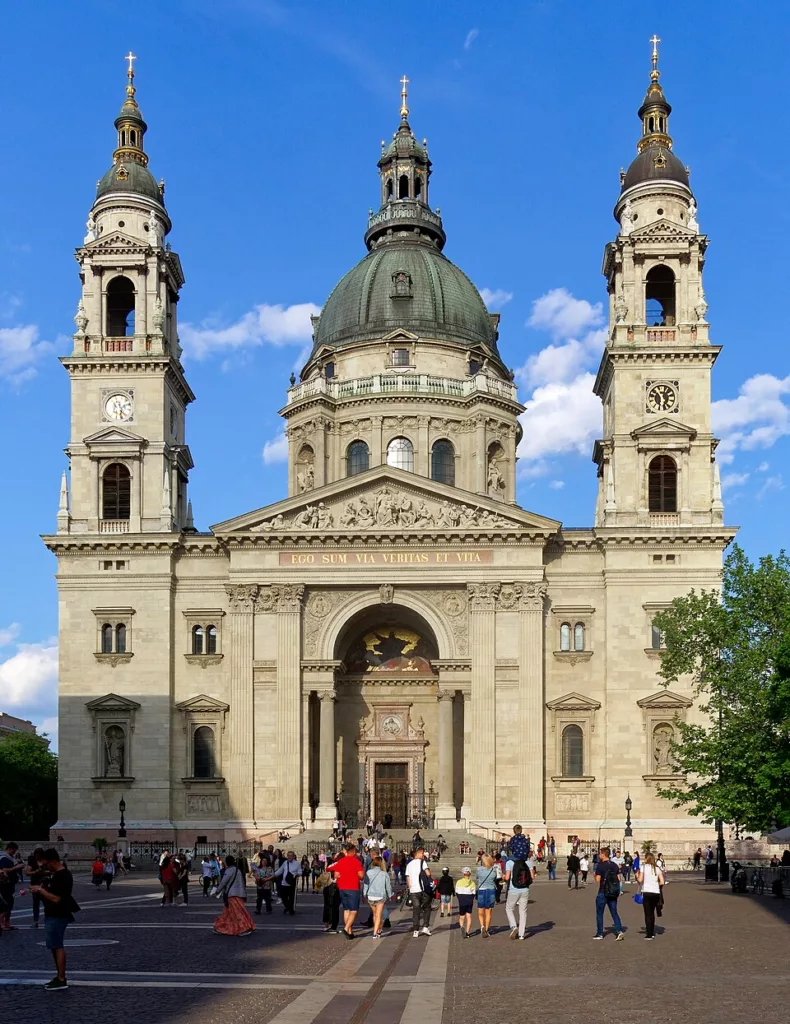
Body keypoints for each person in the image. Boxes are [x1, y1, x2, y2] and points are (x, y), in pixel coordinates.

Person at [29, 848, 79, 991]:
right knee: (54, 945)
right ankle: (59, 976)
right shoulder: (58, 874)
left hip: (58, 914)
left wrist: (41, 890)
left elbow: (57, 898)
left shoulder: (63, 875)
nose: (45, 867)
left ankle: (61, 978)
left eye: (46, 864)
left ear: (53, 861)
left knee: (57, 945)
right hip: (53, 913)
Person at [328, 844, 365, 940]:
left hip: (342, 888)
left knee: (346, 909)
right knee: (354, 910)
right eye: (355, 851)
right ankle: (346, 928)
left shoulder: (341, 861)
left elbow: (336, 875)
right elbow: (361, 875)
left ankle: (350, 932)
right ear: (352, 851)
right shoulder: (356, 861)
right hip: (353, 888)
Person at [213, 854, 254, 936]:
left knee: (236, 913)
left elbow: (223, 882)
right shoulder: (238, 870)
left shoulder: (229, 871)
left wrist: (217, 891)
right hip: (239, 894)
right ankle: (222, 928)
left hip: (232, 895)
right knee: (230, 914)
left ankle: (244, 928)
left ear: (227, 862)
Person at [593, 847, 625, 941]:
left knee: (599, 913)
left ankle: (600, 933)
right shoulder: (614, 865)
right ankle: (619, 931)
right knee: (614, 912)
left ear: (603, 854)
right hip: (613, 892)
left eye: (600, 854)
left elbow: (598, 880)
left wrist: (595, 875)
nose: (599, 855)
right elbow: (619, 879)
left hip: (603, 891)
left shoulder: (600, 866)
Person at [504, 848, 534, 940]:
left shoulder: (509, 862)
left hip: (513, 889)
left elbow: (507, 877)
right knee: (523, 911)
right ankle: (521, 934)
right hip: (525, 889)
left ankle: (514, 926)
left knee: (509, 908)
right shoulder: (528, 862)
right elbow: (532, 877)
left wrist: (503, 876)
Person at [406, 846, 433, 938]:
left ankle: (416, 930)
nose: (423, 855)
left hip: (413, 890)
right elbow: (428, 874)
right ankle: (425, 927)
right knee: (427, 907)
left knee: (416, 909)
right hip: (423, 889)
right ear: (418, 853)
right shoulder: (422, 862)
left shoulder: (409, 864)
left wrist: (410, 888)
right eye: (422, 853)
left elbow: (408, 878)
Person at [636, 852, 664, 940]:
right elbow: (662, 882)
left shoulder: (643, 867)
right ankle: (652, 932)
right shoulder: (657, 868)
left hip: (647, 891)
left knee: (648, 914)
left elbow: (640, 880)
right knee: (652, 913)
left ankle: (649, 934)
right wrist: (655, 884)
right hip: (656, 892)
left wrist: (637, 875)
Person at [364, 855, 393, 938]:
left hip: (371, 896)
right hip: (380, 896)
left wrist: (364, 894)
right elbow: (388, 886)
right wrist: (390, 895)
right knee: (379, 915)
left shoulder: (368, 872)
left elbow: (366, 885)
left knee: (375, 914)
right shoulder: (384, 874)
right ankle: (375, 932)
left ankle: (378, 930)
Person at [0, 842, 23, 930]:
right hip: (4, 885)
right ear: (9, 849)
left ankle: (7, 923)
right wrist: (16, 867)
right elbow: (4, 870)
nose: (14, 853)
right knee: (5, 905)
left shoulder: (10, 858)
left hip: (9, 885)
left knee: (10, 904)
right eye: (14, 851)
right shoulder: (4, 858)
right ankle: (2, 924)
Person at [475, 853, 497, 938]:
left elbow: (477, 878)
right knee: (488, 912)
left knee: (480, 911)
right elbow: (495, 879)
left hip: (481, 890)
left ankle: (482, 926)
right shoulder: (493, 870)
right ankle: (486, 930)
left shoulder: (479, 869)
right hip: (491, 890)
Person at [274, 851, 302, 915]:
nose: (289, 857)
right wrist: (273, 874)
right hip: (284, 883)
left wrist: (296, 874)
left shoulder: (297, 864)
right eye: (288, 855)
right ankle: (288, 907)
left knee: (291, 898)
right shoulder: (285, 863)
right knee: (283, 897)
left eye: (290, 855)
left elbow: (300, 872)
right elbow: (280, 871)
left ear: (293, 856)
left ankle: (291, 910)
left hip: (292, 883)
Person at [25, 847, 46, 928]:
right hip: (35, 884)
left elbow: (51, 871)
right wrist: (35, 872)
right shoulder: (32, 861)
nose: (37, 857)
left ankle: (48, 920)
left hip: (45, 885)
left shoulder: (45, 861)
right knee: (36, 904)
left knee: (47, 903)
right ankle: (35, 921)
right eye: (36, 855)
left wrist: (44, 872)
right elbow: (27, 872)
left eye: (38, 855)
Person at [455, 866, 476, 937]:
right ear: (470, 874)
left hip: (462, 900)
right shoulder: (472, 883)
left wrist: (460, 898)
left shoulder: (459, 882)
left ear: (463, 874)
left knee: (462, 916)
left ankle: (462, 927)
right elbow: (474, 893)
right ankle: (467, 932)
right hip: (469, 900)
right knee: (469, 916)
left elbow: (457, 891)